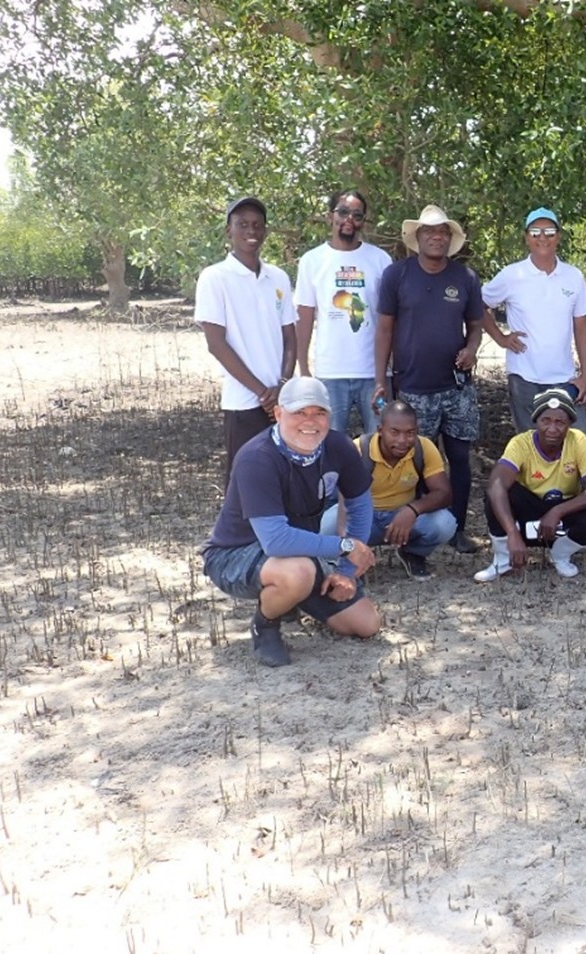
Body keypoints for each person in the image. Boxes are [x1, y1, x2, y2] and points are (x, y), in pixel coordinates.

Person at [202, 377, 382, 667]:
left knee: (366, 624)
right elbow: (276, 540)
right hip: (236, 553)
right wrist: (346, 546)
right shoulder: (256, 457)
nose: (310, 422)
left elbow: (360, 506)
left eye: (319, 413)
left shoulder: (340, 446)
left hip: (302, 554)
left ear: (329, 416)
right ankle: (266, 623)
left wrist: (347, 572)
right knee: (297, 572)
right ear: (278, 413)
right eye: (300, 412)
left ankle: (293, 598)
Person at [375, 204, 484, 553]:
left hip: (456, 388)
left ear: (450, 239)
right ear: (417, 237)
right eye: (429, 232)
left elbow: (477, 326)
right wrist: (382, 377)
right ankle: (420, 533)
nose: (436, 237)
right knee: (418, 462)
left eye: (442, 232)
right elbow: (385, 328)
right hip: (414, 387)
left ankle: (457, 530)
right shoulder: (397, 275)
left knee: (460, 459)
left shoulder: (465, 278)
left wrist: (471, 348)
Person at [195, 196, 296, 479]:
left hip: (280, 400)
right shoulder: (214, 278)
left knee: (282, 476)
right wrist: (262, 392)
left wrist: (282, 385)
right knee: (244, 480)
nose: (251, 231)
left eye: (257, 225)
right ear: (229, 231)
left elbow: (290, 336)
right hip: (243, 402)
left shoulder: (278, 278)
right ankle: (236, 527)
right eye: (242, 225)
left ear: (265, 231)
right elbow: (216, 344)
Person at [476, 388, 586, 581]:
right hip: (527, 513)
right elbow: (496, 485)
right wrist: (512, 533)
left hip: (561, 517)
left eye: (560, 422)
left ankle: (561, 554)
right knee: (496, 492)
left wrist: (557, 512)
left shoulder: (578, 440)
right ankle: (503, 558)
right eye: (545, 421)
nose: (552, 429)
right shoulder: (520, 443)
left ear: (570, 424)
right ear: (536, 422)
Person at [482, 207, 586, 435]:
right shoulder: (512, 275)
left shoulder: (574, 276)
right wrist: (501, 338)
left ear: (558, 237)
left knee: (579, 443)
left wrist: (585, 376)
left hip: (564, 378)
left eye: (549, 232)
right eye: (535, 232)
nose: (542, 238)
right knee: (532, 446)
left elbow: (581, 328)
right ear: (526, 238)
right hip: (524, 378)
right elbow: (479, 304)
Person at [294, 189, 392, 434]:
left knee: (381, 442)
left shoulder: (380, 260)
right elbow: (304, 317)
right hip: (330, 374)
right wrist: (304, 369)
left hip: (375, 376)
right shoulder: (312, 260)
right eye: (343, 212)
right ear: (330, 217)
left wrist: (388, 374)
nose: (349, 219)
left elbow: (389, 321)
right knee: (329, 442)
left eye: (357, 215)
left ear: (363, 222)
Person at [323, 401, 457, 580]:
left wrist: (412, 510)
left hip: (403, 518)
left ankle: (412, 554)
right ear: (380, 430)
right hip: (363, 517)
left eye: (410, 433)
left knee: (445, 523)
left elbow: (444, 493)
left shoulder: (423, 448)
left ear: (417, 431)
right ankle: (348, 561)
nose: (402, 440)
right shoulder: (357, 450)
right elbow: (342, 500)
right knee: (329, 524)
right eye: (394, 432)